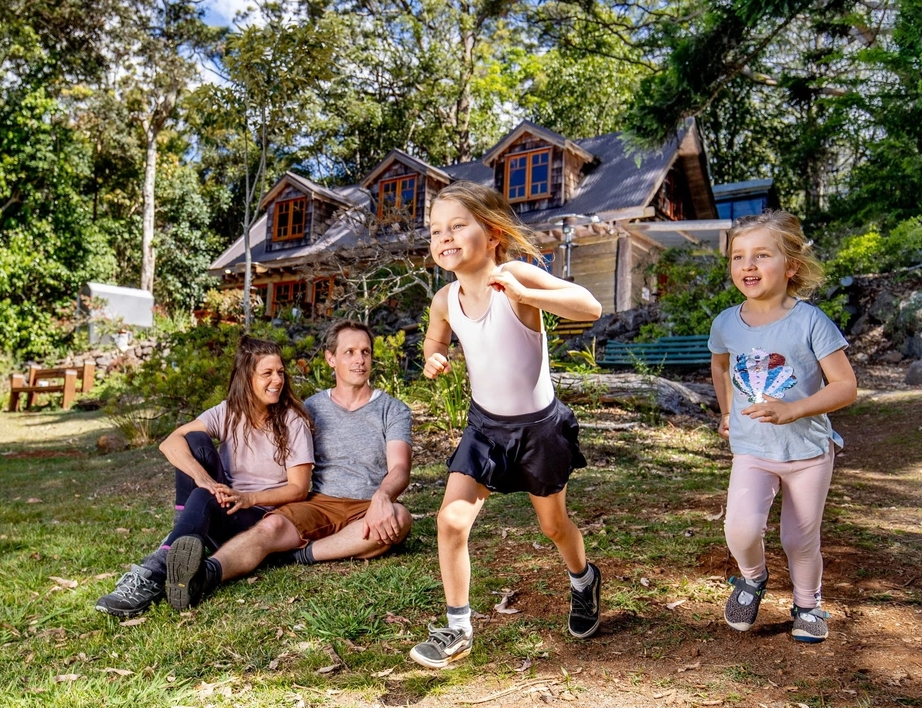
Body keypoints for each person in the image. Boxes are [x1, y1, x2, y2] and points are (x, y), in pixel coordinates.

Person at [410, 181, 603, 670]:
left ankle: (583, 579)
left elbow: (591, 307)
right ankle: (457, 629)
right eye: (436, 230)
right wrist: (434, 358)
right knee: (451, 521)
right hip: (485, 430)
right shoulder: (444, 299)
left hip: (539, 430)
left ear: (493, 233)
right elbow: (434, 342)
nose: (444, 237)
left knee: (553, 526)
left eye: (458, 225)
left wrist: (522, 290)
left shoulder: (513, 275)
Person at [150, 319, 414, 611]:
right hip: (320, 503)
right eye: (349, 352)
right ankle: (204, 574)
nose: (359, 360)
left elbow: (400, 468)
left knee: (400, 519)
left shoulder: (393, 409)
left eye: (365, 352)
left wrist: (383, 496)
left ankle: (298, 555)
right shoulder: (311, 408)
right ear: (330, 359)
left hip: (369, 502)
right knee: (271, 524)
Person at [708, 211, 857, 644]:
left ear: (790, 266)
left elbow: (846, 386)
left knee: (799, 537)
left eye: (761, 255)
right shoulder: (725, 323)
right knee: (739, 527)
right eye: (738, 257)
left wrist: (794, 410)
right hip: (752, 448)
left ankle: (808, 604)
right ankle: (752, 578)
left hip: (808, 452)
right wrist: (725, 411)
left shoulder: (811, 321)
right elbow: (721, 366)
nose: (747, 266)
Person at [95, 335, 314, 617]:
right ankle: (184, 542)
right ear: (247, 377)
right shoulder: (229, 412)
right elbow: (169, 442)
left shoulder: (292, 421)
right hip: (224, 505)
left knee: (202, 495)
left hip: (258, 517)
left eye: (281, 372)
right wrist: (203, 478)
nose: (277, 380)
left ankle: (153, 573)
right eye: (267, 373)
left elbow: (299, 489)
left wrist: (248, 498)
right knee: (195, 441)